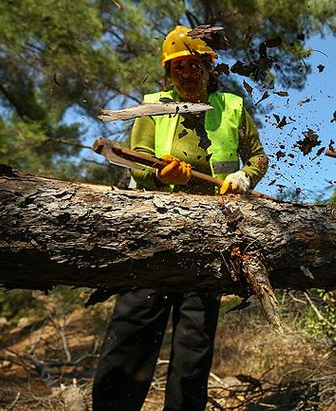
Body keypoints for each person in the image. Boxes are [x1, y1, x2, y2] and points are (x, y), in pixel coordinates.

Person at [92, 25, 268, 411]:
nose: (186, 74)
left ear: (209, 67)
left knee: (193, 351)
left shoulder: (232, 107)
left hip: (209, 240)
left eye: (193, 66)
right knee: (130, 338)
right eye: (177, 67)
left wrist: (244, 176)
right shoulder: (152, 106)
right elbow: (136, 158)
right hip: (152, 236)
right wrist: (159, 173)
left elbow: (258, 158)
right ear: (168, 71)